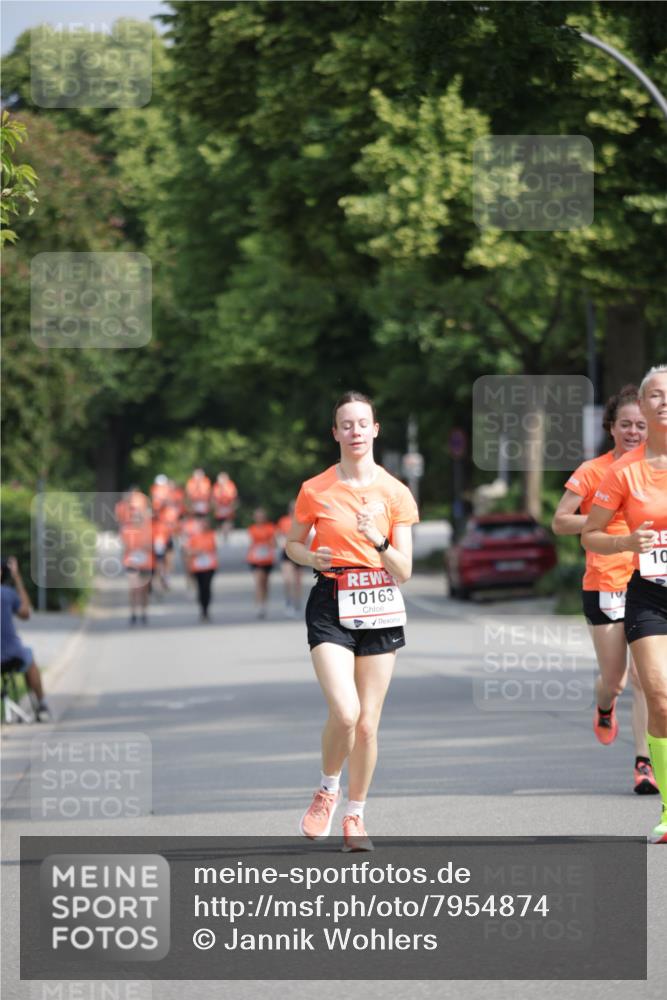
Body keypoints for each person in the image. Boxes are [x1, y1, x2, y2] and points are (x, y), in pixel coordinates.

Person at [286, 391, 419, 852]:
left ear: (375, 430)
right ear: (335, 433)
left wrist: (377, 539)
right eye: (347, 425)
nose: (355, 431)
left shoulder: (395, 492)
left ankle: (355, 816)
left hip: (380, 603)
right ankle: (328, 789)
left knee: (367, 725)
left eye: (363, 423)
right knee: (346, 712)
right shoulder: (315, 489)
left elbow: (404, 569)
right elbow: (292, 545)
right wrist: (311, 556)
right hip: (331, 599)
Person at [552, 385, 657, 793]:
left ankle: (644, 763)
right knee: (616, 680)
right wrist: (606, 516)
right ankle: (604, 705)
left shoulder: (656, 469)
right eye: (625, 424)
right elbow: (561, 521)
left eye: (641, 425)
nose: (633, 432)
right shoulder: (593, 471)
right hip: (604, 583)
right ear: (611, 427)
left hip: (647, 581)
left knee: (646, 678)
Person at [582, 365, 667, 843]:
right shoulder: (622, 472)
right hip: (649, 594)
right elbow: (590, 533)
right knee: (657, 694)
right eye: (655, 395)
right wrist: (627, 543)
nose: (664, 401)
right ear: (644, 405)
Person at [1, 557, 51, 721]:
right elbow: (26, 613)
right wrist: (17, 578)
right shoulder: (7, 593)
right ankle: (42, 706)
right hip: (11, 654)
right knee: (29, 657)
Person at [120, 508, 154, 625]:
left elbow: (151, 546)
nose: (136, 520)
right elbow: (125, 547)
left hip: (145, 563)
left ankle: (144, 613)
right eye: (134, 517)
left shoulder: (148, 531)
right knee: (133, 589)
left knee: (144, 590)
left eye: (138, 518)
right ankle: (133, 613)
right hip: (132, 563)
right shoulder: (127, 531)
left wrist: (141, 546)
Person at [184, 514, 218, 622]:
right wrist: (196, 552)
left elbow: (214, 549)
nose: (204, 525)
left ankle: (206, 609)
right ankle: (202, 609)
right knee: (200, 588)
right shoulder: (194, 537)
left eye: (206, 523)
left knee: (207, 587)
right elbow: (187, 551)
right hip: (197, 566)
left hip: (209, 565)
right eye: (203, 523)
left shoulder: (212, 535)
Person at [247, 508, 277, 619]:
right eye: (257, 516)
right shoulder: (252, 529)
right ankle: (259, 605)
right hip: (255, 559)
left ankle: (264, 603)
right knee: (258, 581)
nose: (259, 518)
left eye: (261, 516)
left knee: (265, 583)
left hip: (267, 559)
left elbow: (274, 543)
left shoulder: (270, 528)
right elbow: (251, 543)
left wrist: (269, 544)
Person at [277, 500, 302, 617]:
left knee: (297, 581)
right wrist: (280, 542)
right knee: (288, 580)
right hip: (286, 552)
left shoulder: (302, 520)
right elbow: (278, 535)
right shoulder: (284, 521)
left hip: (298, 552)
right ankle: (288, 602)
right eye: (292, 508)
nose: (294, 510)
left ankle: (297, 604)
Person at [212, 471, 238, 542]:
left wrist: (232, 507)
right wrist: (215, 507)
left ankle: (228, 536)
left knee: (227, 522)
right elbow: (214, 498)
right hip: (219, 508)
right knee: (220, 523)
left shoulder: (230, 486)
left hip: (228, 507)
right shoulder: (216, 487)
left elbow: (233, 497)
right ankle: (222, 536)